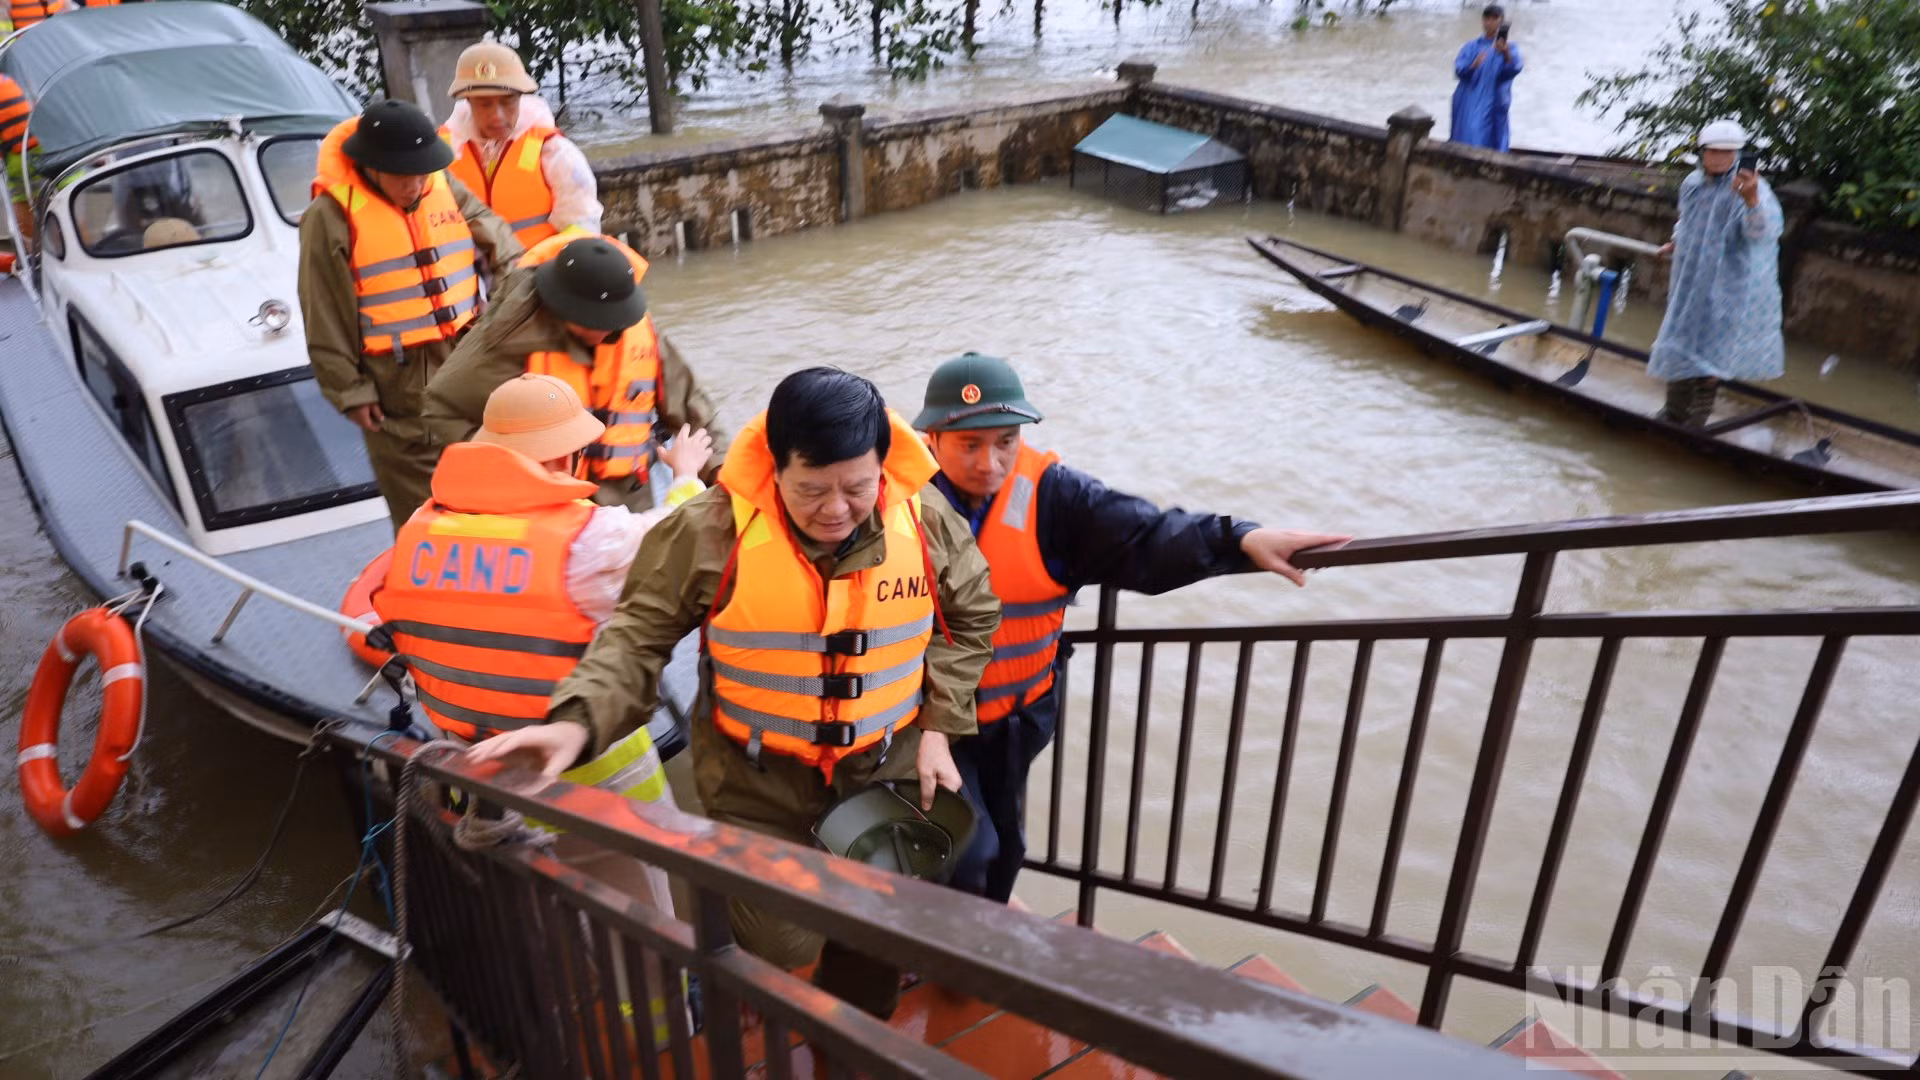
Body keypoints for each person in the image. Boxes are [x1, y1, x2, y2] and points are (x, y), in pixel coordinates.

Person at [467, 367, 1001, 1020]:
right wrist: (575, 722)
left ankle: (852, 1037)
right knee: (781, 941)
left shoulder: (924, 519)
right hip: (756, 780)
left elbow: (973, 613)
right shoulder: (709, 530)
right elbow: (636, 635)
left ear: (882, 468)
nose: (836, 509)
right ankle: (778, 992)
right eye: (812, 490)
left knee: (877, 931)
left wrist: (941, 726)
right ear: (775, 467)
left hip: (882, 769)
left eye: (857, 488)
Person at [912, 352, 1351, 904]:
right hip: (929, 720)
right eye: (969, 445)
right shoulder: (899, 500)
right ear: (931, 439)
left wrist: (1239, 537)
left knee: (1008, 845)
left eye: (1006, 441)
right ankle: (938, 932)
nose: (990, 463)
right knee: (965, 846)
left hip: (1018, 716)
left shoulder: (1055, 497)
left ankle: (982, 929)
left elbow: (1145, 536)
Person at [379, 372, 710, 1041]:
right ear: (565, 458)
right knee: (643, 922)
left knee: (550, 910)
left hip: (481, 773)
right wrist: (685, 474)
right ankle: (666, 1034)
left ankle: (569, 1017)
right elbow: (679, 539)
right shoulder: (589, 541)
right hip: (593, 777)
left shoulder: (422, 527)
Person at [298, 99, 523, 532]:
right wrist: (349, 391)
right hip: (397, 387)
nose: (416, 185)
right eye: (405, 176)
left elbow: (501, 244)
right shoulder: (328, 217)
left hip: (468, 363)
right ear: (373, 166)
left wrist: (507, 314)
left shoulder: (443, 184)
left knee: (496, 495)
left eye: (423, 173)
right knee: (424, 519)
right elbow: (322, 312)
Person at [423, 232, 728, 512]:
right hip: (545, 510)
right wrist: (504, 469)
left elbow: (696, 413)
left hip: (629, 508)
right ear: (563, 307)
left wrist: (725, 477)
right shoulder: (508, 341)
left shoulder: (638, 331)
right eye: (597, 322)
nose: (608, 329)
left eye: (615, 320)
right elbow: (441, 407)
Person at [1648, 118, 1785, 428]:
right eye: (1715, 151)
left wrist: (1751, 200)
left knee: (1712, 353)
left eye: (1728, 152)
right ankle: (1672, 413)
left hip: (1727, 284)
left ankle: (1696, 421)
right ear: (1703, 152)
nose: (1721, 158)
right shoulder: (1693, 184)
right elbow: (1687, 220)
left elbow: (1762, 234)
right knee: (1681, 340)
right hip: (1690, 279)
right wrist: (1676, 242)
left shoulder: (1752, 190)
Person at [440, 41, 603, 247]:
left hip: (537, 264)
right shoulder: (442, 150)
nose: (497, 116)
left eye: (507, 102)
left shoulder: (553, 150)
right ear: (467, 101)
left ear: (520, 98)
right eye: (485, 104)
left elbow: (583, 226)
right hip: (466, 265)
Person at [1450, 4, 1523, 152]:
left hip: (1496, 100)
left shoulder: (1510, 48)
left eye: (1495, 19)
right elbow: (1459, 70)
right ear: (1483, 21)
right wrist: (1473, 65)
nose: (1490, 22)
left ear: (1501, 21)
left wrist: (1505, 53)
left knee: (1496, 137)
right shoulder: (1471, 46)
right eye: (1487, 18)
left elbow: (1514, 68)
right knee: (1470, 133)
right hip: (1470, 99)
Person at [2, 73, 35, 248]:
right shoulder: (8, 79)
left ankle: (33, 255)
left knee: (22, 204)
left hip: (21, 158)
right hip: (49, 146)